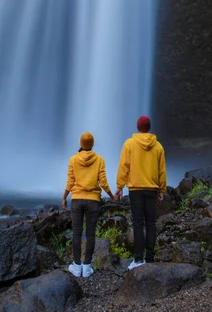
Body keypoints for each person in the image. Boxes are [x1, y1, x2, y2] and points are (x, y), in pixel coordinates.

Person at [115, 115, 166, 269]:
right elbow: (161, 171)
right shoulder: (158, 147)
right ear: (149, 128)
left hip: (135, 189)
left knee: (138, 224)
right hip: (151, 189)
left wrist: (119, 186)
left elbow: (124, 166)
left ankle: (138, 260)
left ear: (138, 127)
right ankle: (149, 259)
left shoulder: (129, 144)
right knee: (151, 224)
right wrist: (161, 189)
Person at [62, 132, 114, 278]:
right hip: (93, 201)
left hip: (77, 199)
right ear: (92, 144)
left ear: (81, 143)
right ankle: (87, 266)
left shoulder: (73, 159)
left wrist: (65, 197)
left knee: (77, 233)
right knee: (90, 233)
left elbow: (70, 181)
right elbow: (103, 182)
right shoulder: (99, 160)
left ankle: (76, 266)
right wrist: (111, 196)